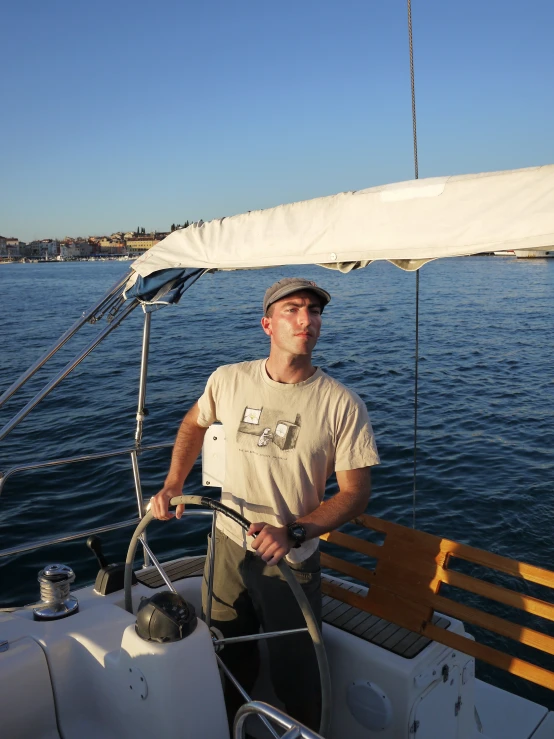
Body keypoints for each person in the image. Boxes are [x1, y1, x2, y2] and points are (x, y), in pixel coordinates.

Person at [151, 276, 380, 731]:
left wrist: (294, 531)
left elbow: (356, 494)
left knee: (298, 675)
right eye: (293, 309)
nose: (306, 320)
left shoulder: (342, 405)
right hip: (228, 544)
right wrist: (174, 481)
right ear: (267, 324)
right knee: (226, 649)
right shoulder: (228, 380)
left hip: (291, 559)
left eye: (314, 312)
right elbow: (195, 423)